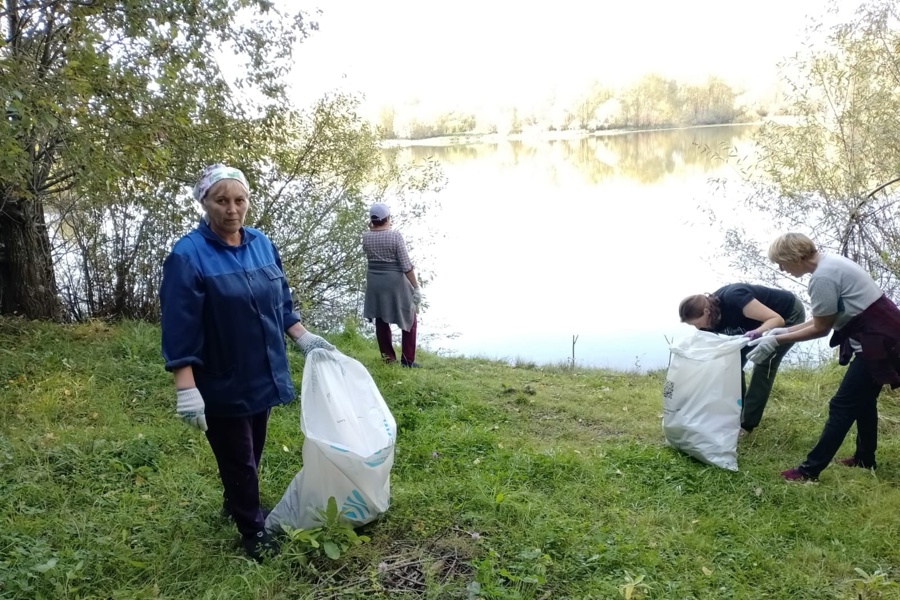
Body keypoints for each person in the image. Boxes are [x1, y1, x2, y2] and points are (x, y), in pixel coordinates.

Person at [159, 163, 336, 561]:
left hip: (263, 371)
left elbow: (281, 302)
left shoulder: (261, 243)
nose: (232, 209)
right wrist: (186, 387)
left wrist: (303, 336)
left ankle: (234, 499)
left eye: (239, 200)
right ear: (204, 202)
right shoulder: (187, 256)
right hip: (221, 377)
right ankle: (252, 529)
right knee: (237, 454)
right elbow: (179, 326)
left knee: (252, 448)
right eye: (221, 200)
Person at [749, 232, 900, 481]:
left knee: (841, 405)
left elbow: (821, 329)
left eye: (781, 262)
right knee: (863, 402)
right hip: (887, 335)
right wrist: (782, 330)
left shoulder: (822, 278)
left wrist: (776, 340)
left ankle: (809, 471)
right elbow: (823, 318)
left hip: (879, 343)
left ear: (794, 257)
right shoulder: (832, 263)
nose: (781, 268)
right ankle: (864, 459)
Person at [679, 283, 806, 434]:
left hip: (787, 315)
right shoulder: (707, 320)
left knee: (763, 363)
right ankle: (733, 415)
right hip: (755, 325)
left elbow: (776, 320)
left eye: (697, 324)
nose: (698, 329)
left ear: (707, 312)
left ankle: (746, 424)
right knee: (730, 364)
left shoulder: (734, 298)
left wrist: (757, 333)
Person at [362, 202, 422, 367]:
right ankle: (407, 360)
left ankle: (388, 359)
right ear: (387, 218)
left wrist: (371, 227)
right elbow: (406, 265)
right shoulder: (394, 236)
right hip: (394, 283)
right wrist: (416, 287)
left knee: (381, 318)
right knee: (409, 316)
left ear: (372, 220)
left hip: (375, 283)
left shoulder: (366, 236)